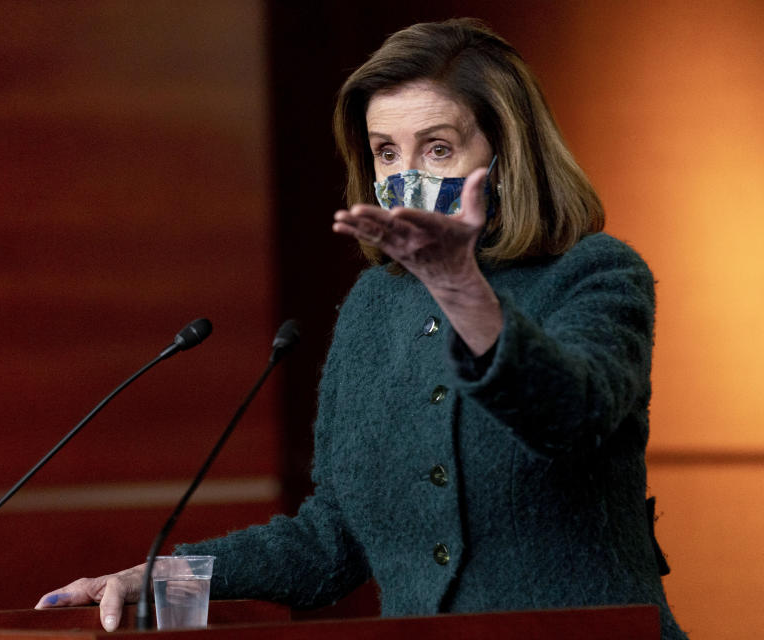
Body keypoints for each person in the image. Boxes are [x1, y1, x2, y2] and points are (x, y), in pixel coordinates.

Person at [36, 18, 687, 639]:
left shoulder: (596, 274)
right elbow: (334, 536)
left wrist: (459, 286)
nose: (406, 175)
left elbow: (570, 416)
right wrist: (160, 575)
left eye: (437, 147)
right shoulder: (375, 304)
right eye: (385, 151)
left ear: (508, 154)